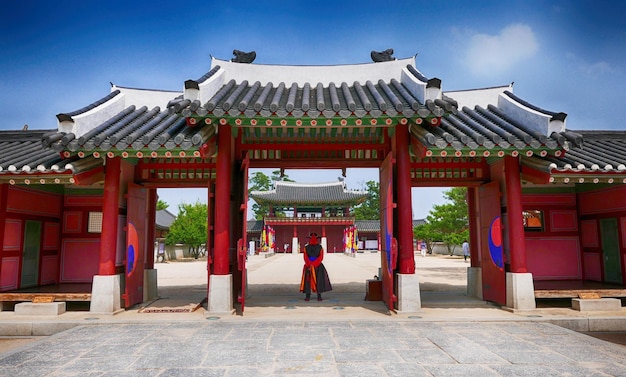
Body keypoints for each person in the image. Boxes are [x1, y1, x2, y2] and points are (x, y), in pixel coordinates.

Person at [300, 232, 332, 301]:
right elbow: (320, 257)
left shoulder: (307, 247)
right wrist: (314, 264)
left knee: (314, 281)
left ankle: (311, 296)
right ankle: (316, 296)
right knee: (314, 280)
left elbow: (306, 257)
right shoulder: (319, 247)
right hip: (316, 266)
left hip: (311, 265)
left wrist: (310, 264)